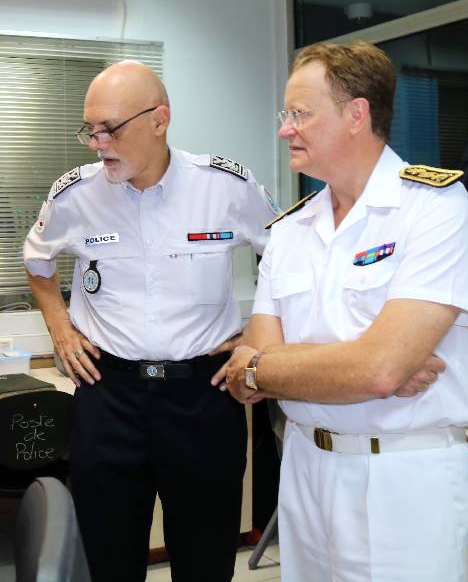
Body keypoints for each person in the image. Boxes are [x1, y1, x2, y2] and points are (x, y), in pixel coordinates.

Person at [216, 41, 468, 582]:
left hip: (402, 475)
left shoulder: (435, 211)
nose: (285, 128)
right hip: (305, 469)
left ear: (356, 114)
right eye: (285, 114)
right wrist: (345, 366)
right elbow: (251, 369)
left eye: (300, 113)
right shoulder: (291, 229)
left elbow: (378, 370)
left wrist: (272, 368)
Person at [23, 60, 278, 581]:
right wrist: (60, 329)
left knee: (205, 560)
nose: (97, 142)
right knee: (109, 561)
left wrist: (256, 339)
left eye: (109, 129)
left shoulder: (223, 185)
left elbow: (286, 256)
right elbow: (37, 262)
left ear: (160, 120)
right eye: (89, 129)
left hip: (204, 396)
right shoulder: (75, 193)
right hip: (109, 395)